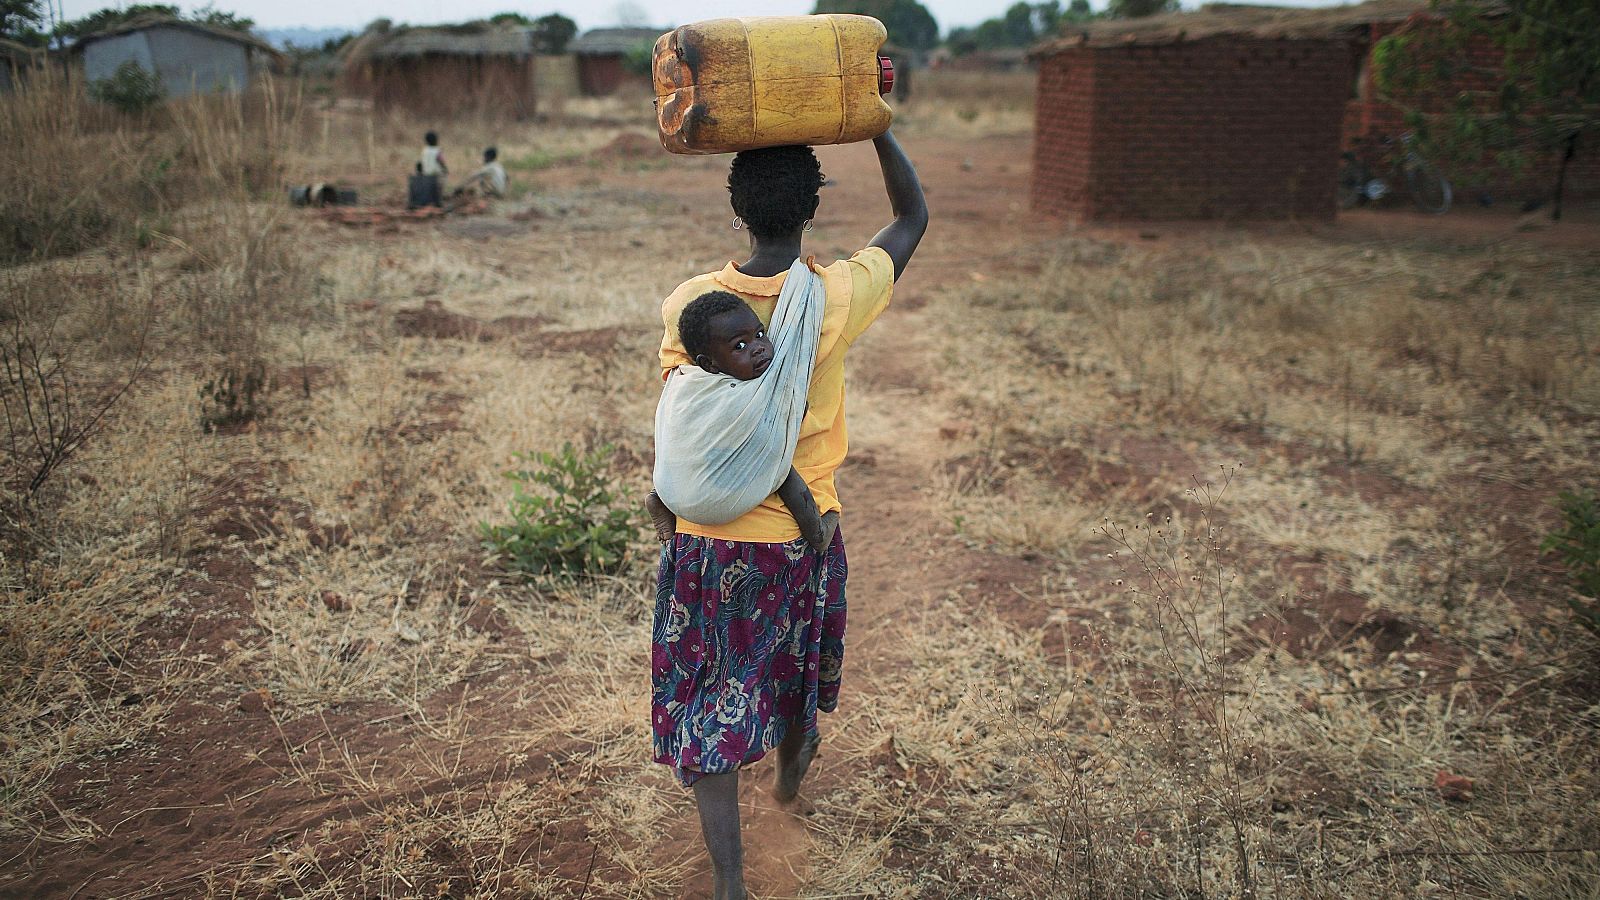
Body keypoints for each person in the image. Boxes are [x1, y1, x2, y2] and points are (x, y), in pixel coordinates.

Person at [650, 132, 926, 900]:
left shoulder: (690, 304)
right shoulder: (832, 294)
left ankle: (731, 882)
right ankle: (789, 775)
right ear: (812, 205)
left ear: (737, 208)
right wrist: (875, 124)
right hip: (796, 544)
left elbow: (681, 416)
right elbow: (911, 219)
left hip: (705, 540)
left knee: (711, 698)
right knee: (792, 674)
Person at [645, 290, 827, 552]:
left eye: (760, 334)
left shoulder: (686, 380)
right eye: (740, 346)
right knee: (779, 462)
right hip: (716, 493)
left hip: (674, 487)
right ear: (709, 364)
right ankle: (817, 533)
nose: (759, 348)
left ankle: (657, 497)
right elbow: (794, 414)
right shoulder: (749, 393)